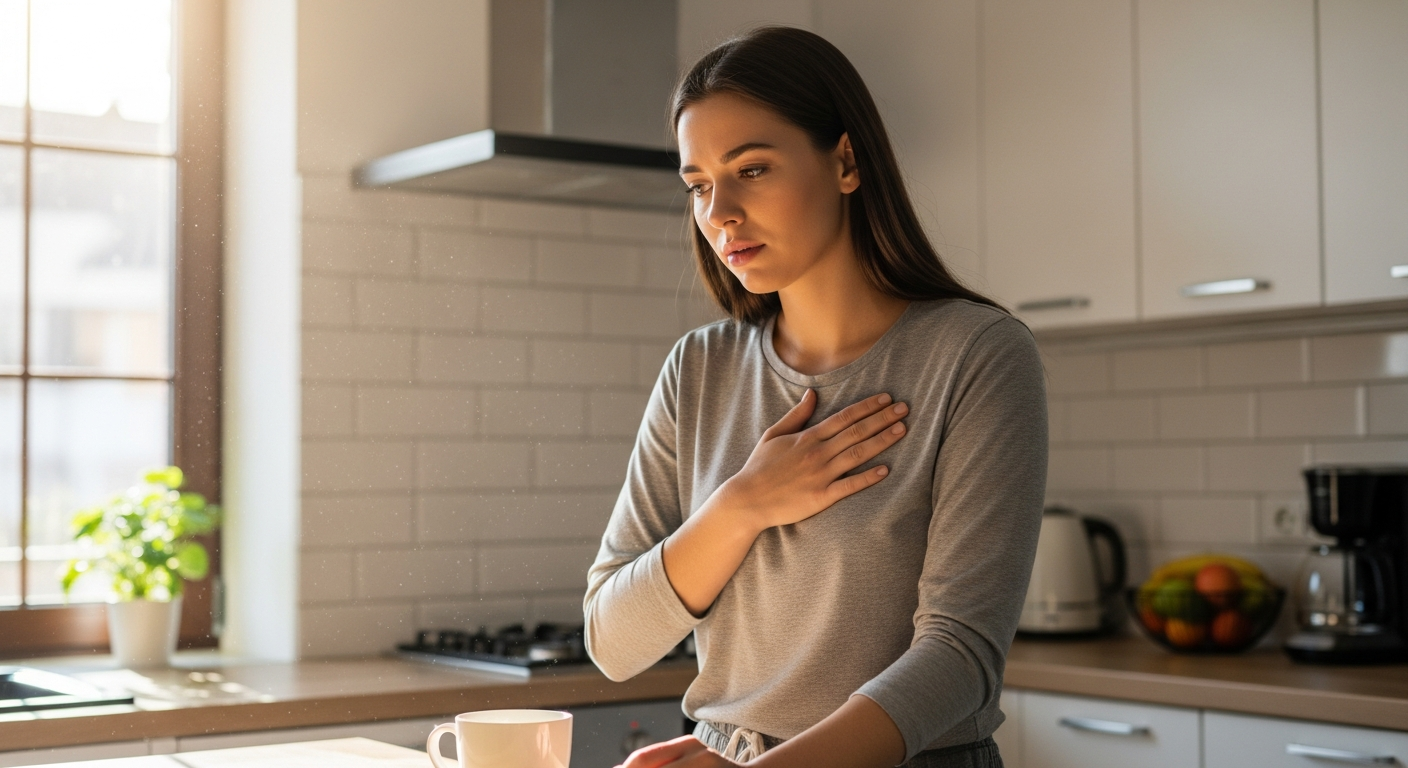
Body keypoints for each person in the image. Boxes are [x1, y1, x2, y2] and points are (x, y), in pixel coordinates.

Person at [584, 26, 1047, 768]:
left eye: (752, 169)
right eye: (699, 185)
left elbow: (961, 657)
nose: (719, 213)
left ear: (845, 161)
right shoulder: (697, 369)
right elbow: (611, 640)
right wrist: (743, 506)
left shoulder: (976, 355)